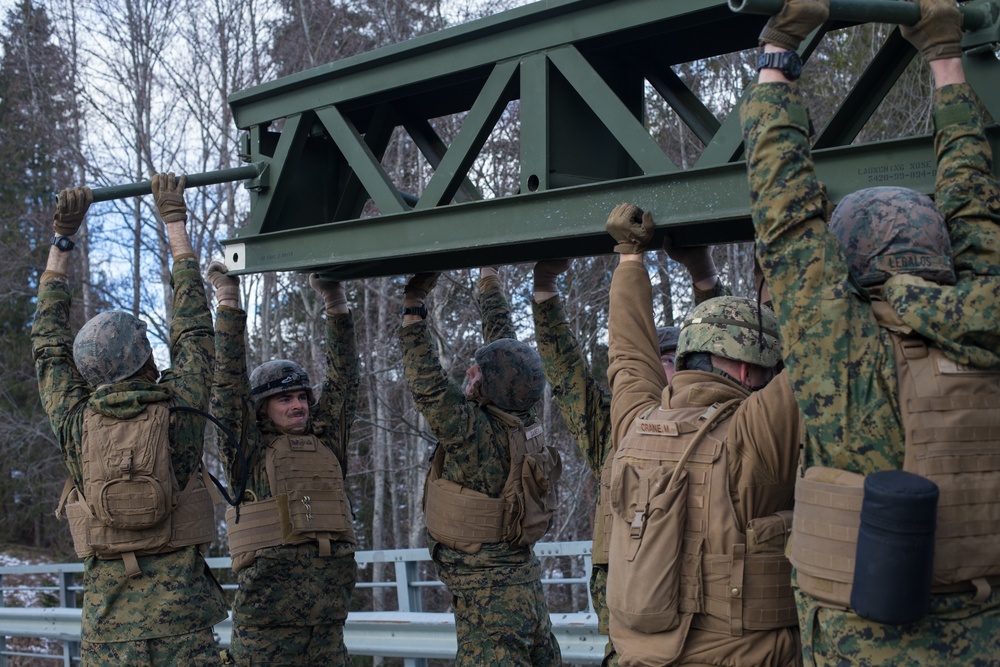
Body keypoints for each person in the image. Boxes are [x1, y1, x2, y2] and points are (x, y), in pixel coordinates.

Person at [741, 0, 1000, 663]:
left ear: (853, 267)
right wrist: (946, 55)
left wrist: (779, 49)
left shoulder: (847, 354)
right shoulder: (988, 328)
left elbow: (789, 218)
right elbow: (975, 213)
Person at [31, 174, 228, 665]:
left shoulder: (77, 423)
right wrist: (174, 222)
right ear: (145, 357)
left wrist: (62, 241)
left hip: (107, 628)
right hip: (183, 623)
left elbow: (46, 343)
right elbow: (194, 331)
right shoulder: (179, 410)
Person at [604, 202, 803, 666]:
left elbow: (630, 355)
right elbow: (814, 343)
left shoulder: (636, 424)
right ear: (740, 366)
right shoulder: (752, 435)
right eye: (768, 367)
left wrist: (629, 256)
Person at [530, 247, 729, 667]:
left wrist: (703, 275)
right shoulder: (615, 431)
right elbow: (566, 373)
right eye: (654, 362)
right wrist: (545, 289)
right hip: (631, 602)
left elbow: (725, 345)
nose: (659, 372)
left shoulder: (729, 422)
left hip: (712, 602)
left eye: (673, 361)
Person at [399, 269, 562, 666]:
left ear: (492, 386)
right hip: (523, 586)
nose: (468, 373)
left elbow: (428, 382)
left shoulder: (474, 434)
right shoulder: (524, 416)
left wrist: (413, 306)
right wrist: (490, 283)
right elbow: (504, 346)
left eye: (476, 372)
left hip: (489, 601)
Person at [207, 264, 360, 666]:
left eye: (302, 397)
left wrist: (335, 300)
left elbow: (345, 380)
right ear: (262, 409)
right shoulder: (249, 453)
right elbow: (227, 387)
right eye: (284, 399)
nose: (297, 405)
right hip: (266, 629)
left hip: (328, 623)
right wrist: (228, 301)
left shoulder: (326, 443)